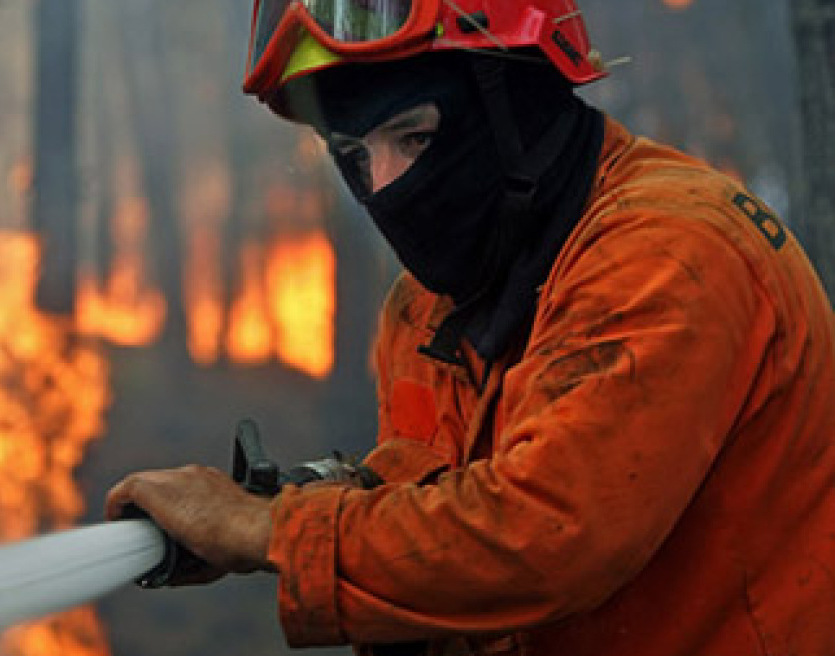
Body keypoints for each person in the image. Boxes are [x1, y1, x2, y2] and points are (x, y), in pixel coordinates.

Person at [106, 1, 835, 654]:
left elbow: (544, 535)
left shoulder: (670, 252)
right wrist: (299, 503)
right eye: (356, 158)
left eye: (413, 138)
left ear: (517, 101)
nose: (386, 188)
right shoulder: (428, 307)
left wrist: (260, 532)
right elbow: (445, 501)